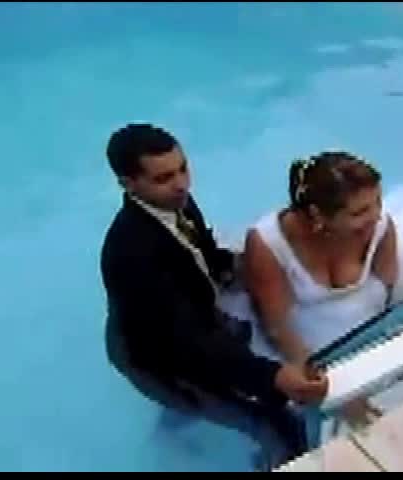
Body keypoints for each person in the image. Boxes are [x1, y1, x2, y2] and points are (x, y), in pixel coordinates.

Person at [218, 151, 403, 425]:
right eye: (359, 212)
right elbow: (278, 330)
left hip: (364, 325)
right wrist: (338, 388)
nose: (375, 216)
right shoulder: (268, 245)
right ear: (318, 216)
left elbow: (389, 294)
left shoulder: (381, 228)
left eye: (378, 202)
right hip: (299, 343)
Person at [99, 123, 328, 467]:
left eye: (183, 169)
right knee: (279, 425)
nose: (182, 184)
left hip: (177, 321)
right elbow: (190, 343)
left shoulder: (175, 202)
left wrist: (255, 263)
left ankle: (178, 415)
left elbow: (202, 252)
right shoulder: (132, 255)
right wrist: (272, 376)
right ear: (128, 184)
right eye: (163, 178)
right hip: (158, 356)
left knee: (234, 353)